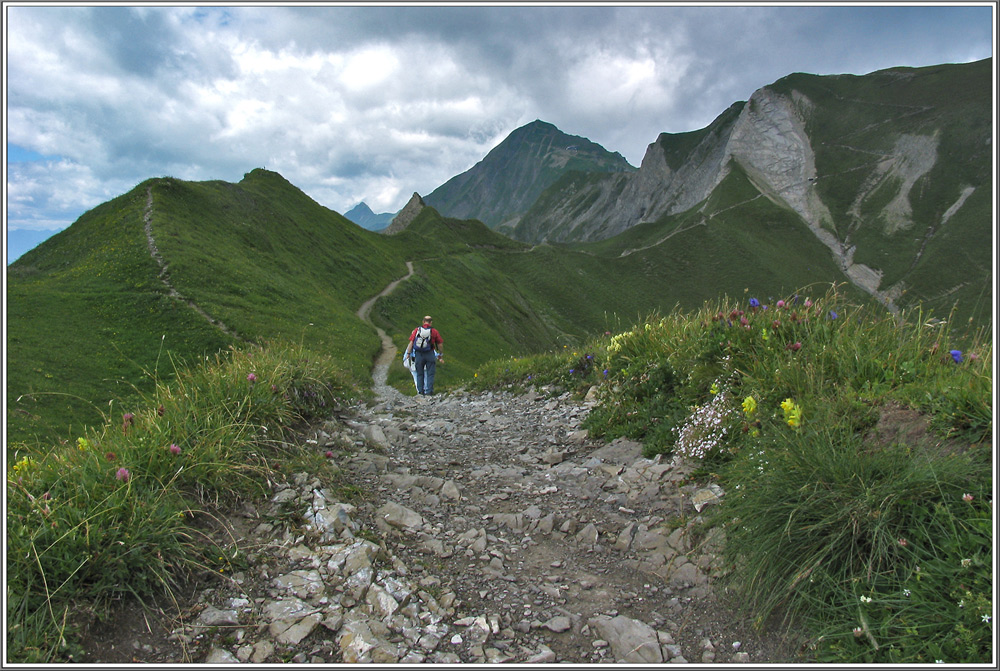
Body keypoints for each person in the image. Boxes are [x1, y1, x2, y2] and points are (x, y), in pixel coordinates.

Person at [403, 315, 443, 395]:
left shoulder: (417, 330)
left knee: (419, 374)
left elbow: (411, 342)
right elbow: (440, 344)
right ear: (431, 322)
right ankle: (429, 391)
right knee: (430, 373)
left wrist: (408, 353)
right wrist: (440, 354)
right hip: (429, 354)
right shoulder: (434, 331)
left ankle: (420, 392)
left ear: (423, 321)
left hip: (419, 355)